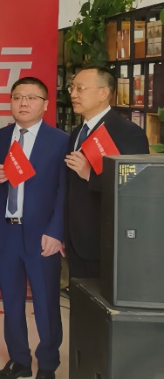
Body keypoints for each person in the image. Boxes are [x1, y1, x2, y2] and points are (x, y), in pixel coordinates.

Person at [0, 77, 67, 379]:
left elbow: (64, 191)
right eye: (18, 97)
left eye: (32, 98)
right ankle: (18, 359)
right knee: (12, 300)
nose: (24, 103)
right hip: (5, 231)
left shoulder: (60, 140)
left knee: (45, 302)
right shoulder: (0, 137)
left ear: (45, 104)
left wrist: (56, 231)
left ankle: (47, 365)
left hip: (42, 235)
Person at [63, 67, 150, 279]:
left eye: (80, 89)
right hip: (75, 240)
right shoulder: (77, 132)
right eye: (72, 88)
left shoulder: (127, 132)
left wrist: (90, 175)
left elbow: (135, 186)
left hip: (105, 242)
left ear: (103, 93)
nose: (73, 94)